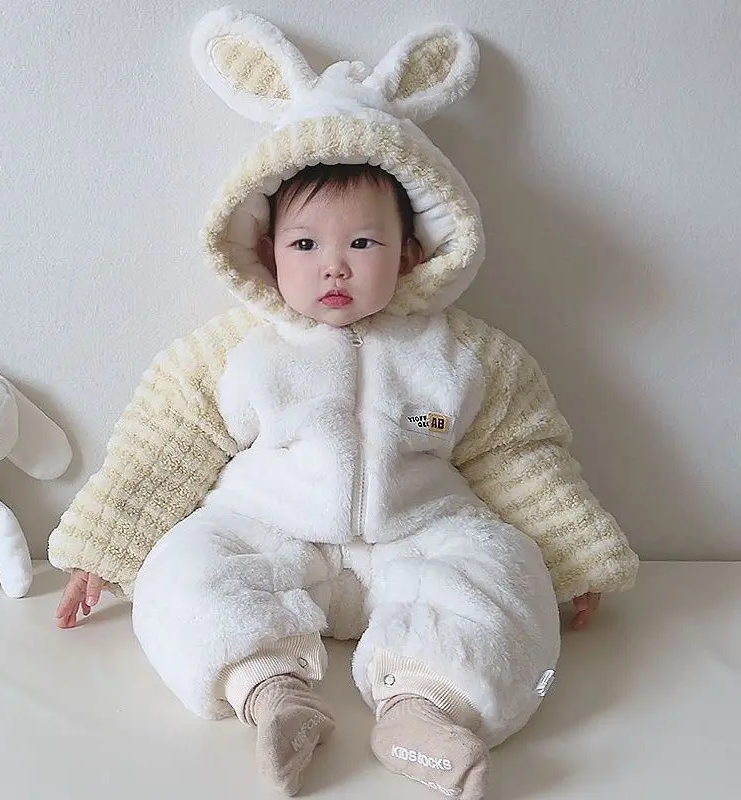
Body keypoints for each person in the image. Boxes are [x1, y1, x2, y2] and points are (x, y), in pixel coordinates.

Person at [49, 10, 638, 800]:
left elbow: (518, 453)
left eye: (362, 243)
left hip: (418, 537)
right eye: (305, 244)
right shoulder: (233, 352)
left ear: (412, 252)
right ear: (266, 253)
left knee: (507, 571)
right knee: (180, 572)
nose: (334, 266)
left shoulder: (465, 355)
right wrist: (103, 545)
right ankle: (270, 693)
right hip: (270, 533)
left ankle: (425, 710)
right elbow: (164, 442)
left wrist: (571, 554)